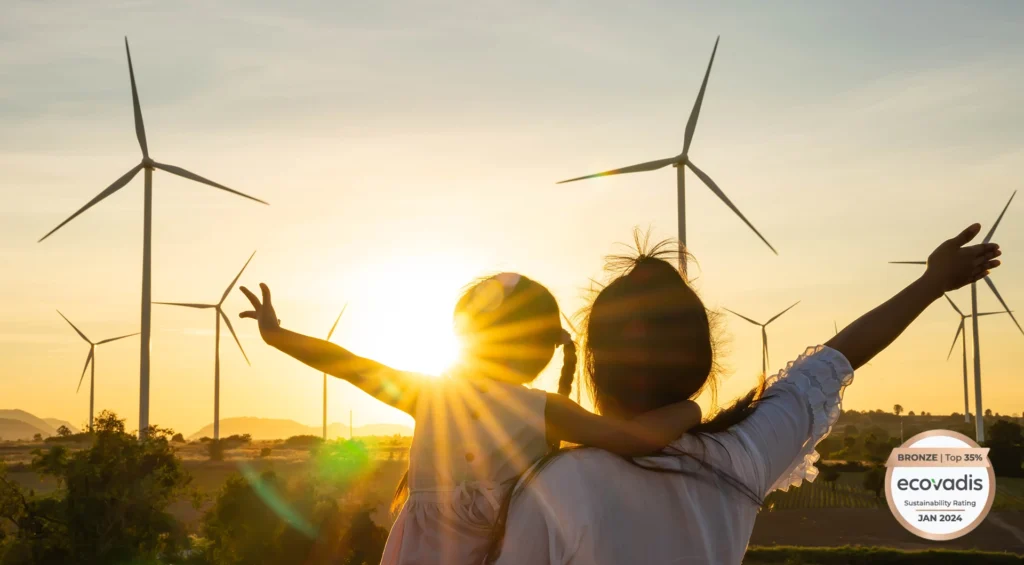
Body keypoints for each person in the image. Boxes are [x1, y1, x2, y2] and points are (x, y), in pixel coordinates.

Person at [487, 224, 1001, 565]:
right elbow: (837, 358)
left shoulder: (558, 486)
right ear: (701, 360)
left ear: (594, 365)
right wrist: (933, 282)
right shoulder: (739, 458)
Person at [237, 272, 702, 565]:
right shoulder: (541, 409)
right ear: (540, 349)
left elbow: (346, 363)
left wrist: (278, 336)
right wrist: (689, 408)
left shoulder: (430, 394)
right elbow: (631, 438)